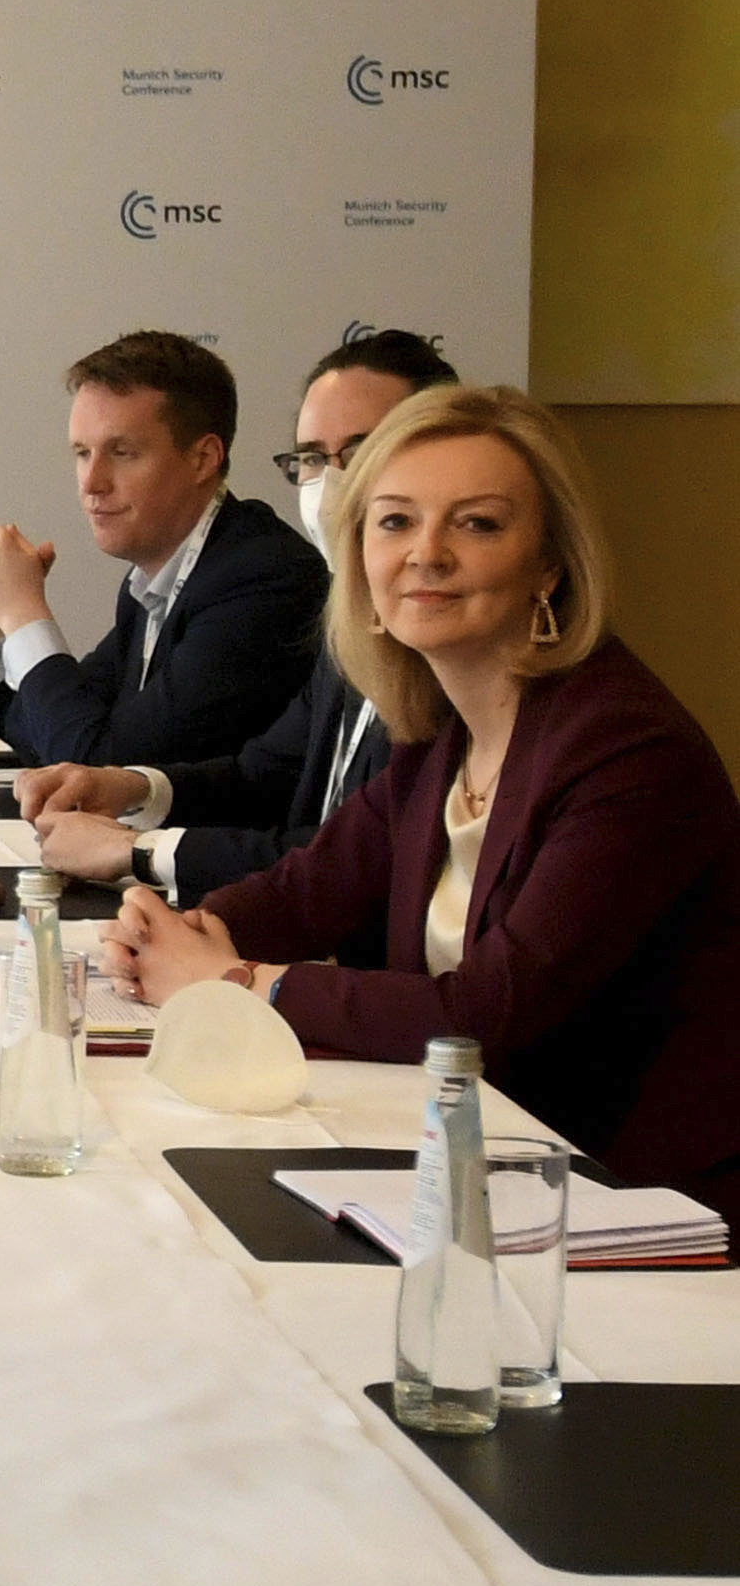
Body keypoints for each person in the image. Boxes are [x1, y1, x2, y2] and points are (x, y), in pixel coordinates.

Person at [106, 387, 740, 1216]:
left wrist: (233, 978)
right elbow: (307, 890)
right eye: (395, 521)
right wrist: (175, 930)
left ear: (549, 563)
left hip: (630, 1206)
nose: (425, 553)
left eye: (476, 523)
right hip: (470, 1165)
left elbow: (486, 1013)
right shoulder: (441, 734)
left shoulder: (626, 750)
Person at [22, 328, 459, 895]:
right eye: (311, 458)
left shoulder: (271, 579)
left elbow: (357, 862)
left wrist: (137, 851)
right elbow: (265, 775)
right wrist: (132, 788)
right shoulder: (351, 622)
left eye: (358, 452)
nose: (329, 483)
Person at [0, 329, 324, 768]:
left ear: (203, 459)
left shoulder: (264, 580)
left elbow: (105, 769)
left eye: (122, 452)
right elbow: (32, 736)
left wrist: (22, 613)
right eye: (82, 453)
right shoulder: (155, 575)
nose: (91, 483)